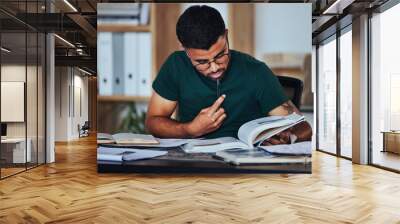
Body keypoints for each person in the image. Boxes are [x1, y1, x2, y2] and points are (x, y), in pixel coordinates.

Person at [145, 5, 312, 145]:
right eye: (202, 62)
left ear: (226, 35)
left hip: (247, 168)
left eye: (220, 55)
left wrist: (289, 137)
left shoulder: (255, 71)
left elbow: (303, 127)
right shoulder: (176, 65)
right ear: (185, 50)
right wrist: (190, 129)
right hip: (194, 165)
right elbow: (153, 121)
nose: (214, 68)